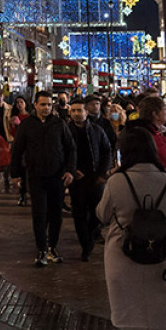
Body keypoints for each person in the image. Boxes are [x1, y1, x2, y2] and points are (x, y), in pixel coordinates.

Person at [97, 127, 166, 330]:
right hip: (161, 259)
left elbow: (102, 214)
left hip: (124, 258)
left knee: (129, 327)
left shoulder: (117, 181)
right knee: (163, 329)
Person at [10, 90, 76, 266]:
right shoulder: (27, 125)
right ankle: (41, 249)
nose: (46, 108)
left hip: (57, 176)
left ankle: (52, 246)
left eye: (48, 104)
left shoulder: (59, 124)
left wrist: (70, 170)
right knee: (39, 214)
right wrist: (15, 175)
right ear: (35, 105)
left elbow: (71, 149)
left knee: (56, 214)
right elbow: (17, 150)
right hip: (36, 176)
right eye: (43, 104)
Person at [67, 97, 111, 261]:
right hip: (76, 179)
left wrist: (102, 173)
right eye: (74, 111)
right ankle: (85, 245)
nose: (77, 114)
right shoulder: (66, 130)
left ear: (86, 112)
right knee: (78, 213)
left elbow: (106, 151)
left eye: (80, 110)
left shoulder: (97, 130)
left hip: (94, 178)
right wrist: (71, 170)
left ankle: (91, 237)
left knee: (96, 213)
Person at [129, 95, 166, 171]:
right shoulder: (147, 136)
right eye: (164, 109)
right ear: (155, 114)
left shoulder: (160, 132)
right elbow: (165, 160)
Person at [10, 96, 31, 206]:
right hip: (19, 147)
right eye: (17, 102)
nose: (19, 104)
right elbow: (13, 134)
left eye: (21, 102)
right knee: (21, 173)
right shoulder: (14, 117)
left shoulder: (30, 117)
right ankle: (22, 195)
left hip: (29, 147)